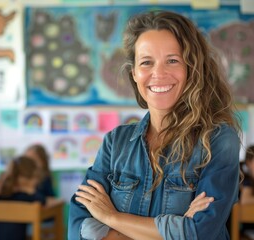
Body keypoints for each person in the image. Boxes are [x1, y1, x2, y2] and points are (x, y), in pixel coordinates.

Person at [68, 10, 241, 240]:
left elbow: (199, 233)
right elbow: (78, 226)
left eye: (172, 60)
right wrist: (175, 230)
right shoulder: (115, 143)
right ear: (134, 74)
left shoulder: (218, 139)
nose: (158, 73)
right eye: (147, 62)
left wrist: (111, 218)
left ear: (192, 68)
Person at [0, 155, 52, 240]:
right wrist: (29, 190)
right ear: (28, 179)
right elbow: (43, 201)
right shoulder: (25, 197)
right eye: (35, 179)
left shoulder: (0, 195)